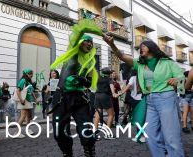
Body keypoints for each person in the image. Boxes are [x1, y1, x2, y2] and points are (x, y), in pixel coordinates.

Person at [103, 35, 185, 157]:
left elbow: (181, 76)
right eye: (140, 47)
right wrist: (112, 44)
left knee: (171, 137)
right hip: (150, 100)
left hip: (166, 98)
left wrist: (176, 79)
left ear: (151, 48)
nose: (140, 49)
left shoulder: (167, 62)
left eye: (143, 46)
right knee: (150, 134)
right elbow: (121, 56)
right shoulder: (139, 63)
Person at [50, 19, 101, 157]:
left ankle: (89, 151)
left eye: (91, 42)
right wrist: (98, 32)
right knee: (59, 131)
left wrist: (82, 79)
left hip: (80, 98)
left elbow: (89, 84)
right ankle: (67, 152)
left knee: (86, 128)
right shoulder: (72, 52)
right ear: (79, 42)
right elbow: (78, 32)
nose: (89, 44)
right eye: (86, 40)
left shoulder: (90, 63)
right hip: (62, 97)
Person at [118, 70, 145, 142]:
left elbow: (127, 87)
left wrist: (119, 93)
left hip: (135, 100)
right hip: (144, 99)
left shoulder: (133, 78)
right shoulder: (144, 77)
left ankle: (140, 136)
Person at [93, 67, 117, 140]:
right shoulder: (109, 79)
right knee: (111, 114)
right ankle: (108, 134)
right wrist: (114, 93)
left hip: (97, 96)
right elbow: (111, 86)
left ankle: (94, 134)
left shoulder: (97, 78)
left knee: (97, 115)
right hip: (105, 96)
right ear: (109, 74)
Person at [15, 68, 37, 138]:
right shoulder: (23, 80)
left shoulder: (29, 81)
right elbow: (18, 91)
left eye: (32, 74)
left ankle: (28, 129)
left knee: (29, 116)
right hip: (24, 100)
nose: (31, 75)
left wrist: (35, 99)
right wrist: (21, 99)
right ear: (26, 74)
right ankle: (17, 132)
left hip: (29, 100)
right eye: (30, 73)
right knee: (23, 116)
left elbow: (32, 91)